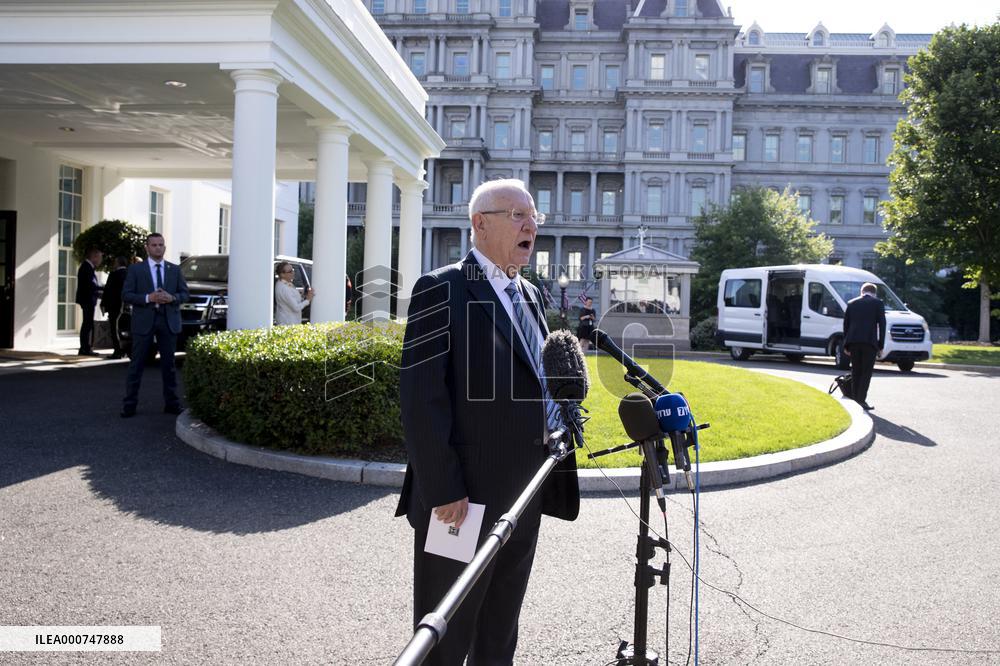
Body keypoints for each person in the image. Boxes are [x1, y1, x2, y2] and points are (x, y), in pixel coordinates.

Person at [396, 179, 579, 665]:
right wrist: (442, 490)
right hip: (463, 500)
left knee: (500, 632)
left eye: (533, 214)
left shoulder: (533, 294)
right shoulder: (441, 289)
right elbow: (421, 399)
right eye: (517, 214)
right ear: (480, 224)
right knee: (447, 633)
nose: (531, 224)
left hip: (525, 492)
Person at [120, 233, 189, 418]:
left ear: (164, 247)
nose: (158, 248)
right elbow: (126, 295)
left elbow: (185, 294)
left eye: (161, 245)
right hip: (144, 321)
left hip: (168, 321)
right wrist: (147, 298)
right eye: (154, 245)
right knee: (137, 365)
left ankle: (172, 404)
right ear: (147, 248)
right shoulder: (136, 270)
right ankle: (129, 405)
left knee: (169, 366)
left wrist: (172, 297)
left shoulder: (174, 270)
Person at [843, 282, 886, 411]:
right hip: (869, 342)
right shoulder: (878, 303)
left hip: (854, 342)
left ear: (862, 292)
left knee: (856, 371)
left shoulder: (851, 303)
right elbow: (882, 325)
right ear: (874, 292)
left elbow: (846, 325)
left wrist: (846, 344)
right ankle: (861, 400)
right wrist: (881, 344)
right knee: (866, 373)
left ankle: (855, 399)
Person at [75, 247, 103, 356]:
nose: (101, 260)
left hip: (87, 299)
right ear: (94, 257)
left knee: (87, 323)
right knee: (87, 324)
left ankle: (85, 347)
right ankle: (85, 348)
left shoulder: (87, 267)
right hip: (87, 299)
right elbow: (92, 285)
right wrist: (105, 288)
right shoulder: (87, 267)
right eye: (100, 257)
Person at [101, 256, 128, 359]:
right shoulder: (129, 274)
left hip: (114, 306)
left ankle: (118, 351)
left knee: (114, 329)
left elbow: (108, 291)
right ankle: (124, 350)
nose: (114, 263)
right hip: (127, 306)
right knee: (125, 329)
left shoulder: (114, 275)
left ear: (118, 263)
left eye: (115, 261)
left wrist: (103, 304)